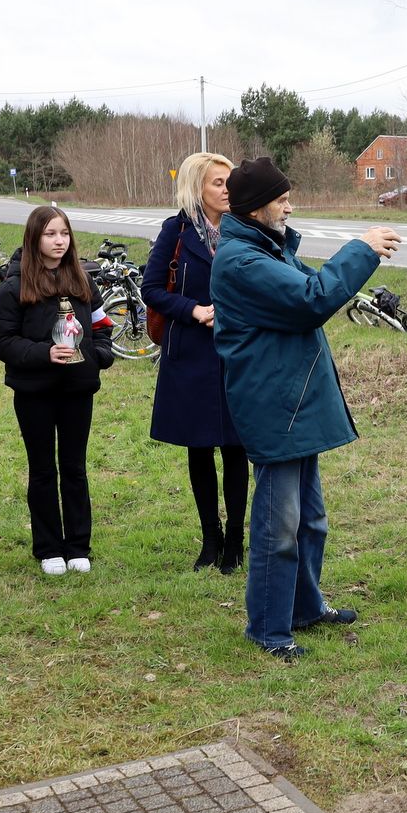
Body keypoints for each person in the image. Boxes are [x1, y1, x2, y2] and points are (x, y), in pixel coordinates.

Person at [210, 157, 401, 660]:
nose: (290, 205)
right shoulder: (242, 261)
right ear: (254, 209)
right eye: (282, 198)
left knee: (310, 522)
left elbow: (312, 292)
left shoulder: (266, 247)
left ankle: (304, 607)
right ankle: (269, 629)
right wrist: (360, 250)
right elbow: (313, 299)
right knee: (279, 530)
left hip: (294, 403)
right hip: (276, 408)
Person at [0, 205, 114, 576]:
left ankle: (78, 545)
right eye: (50, 234)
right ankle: (48, 548)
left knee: (74, 468)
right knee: (43, 469)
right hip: (34, 392)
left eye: (64, 233)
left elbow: (103, 326)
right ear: (34, 238)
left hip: (78, 389)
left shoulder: (83, 283)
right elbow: (2, 341)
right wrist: (44, 353)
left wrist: (98, 357)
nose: (59, 241)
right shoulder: (15, 286)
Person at [142, 152, 250, 573]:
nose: (227, 190)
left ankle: (236, 543)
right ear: (197, 189)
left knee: (236, 447)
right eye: (217, 183)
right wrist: (193, 310)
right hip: (189, 350)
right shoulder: (176, 230)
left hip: (236, 351)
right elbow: (151, 288)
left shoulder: (245, 228)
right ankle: (211, 539)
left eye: (229, 182)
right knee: (200, 448)